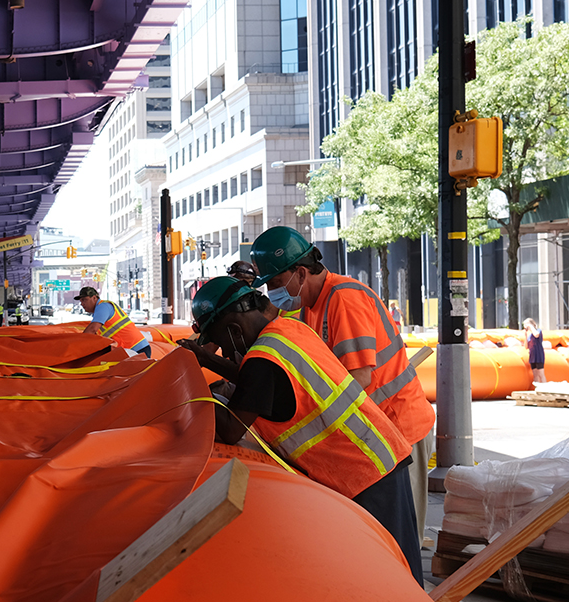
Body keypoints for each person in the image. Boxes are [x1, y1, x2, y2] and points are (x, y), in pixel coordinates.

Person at [183, 275, 422, 579]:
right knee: (387, 566)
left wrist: (186, 394)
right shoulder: (288, 331)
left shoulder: (263, 360)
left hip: (365, 471)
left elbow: (230, 428)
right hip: (373, 460)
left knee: (392, 576)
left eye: (222, 345)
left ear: (233, 329)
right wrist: (205, 360)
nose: (227, 354)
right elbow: (254, 380)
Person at [251, 226, 435, 535]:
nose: (273, 292)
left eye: (276, 282)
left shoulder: (343, 299)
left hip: (398, 428)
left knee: (400, 541)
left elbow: (358, 378)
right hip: (378, 431)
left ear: (300, 273)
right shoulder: (311, 308)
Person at [75, 285, 151, 357]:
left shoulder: (103, 306)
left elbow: (92, 329)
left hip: (136, 349)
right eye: (81, 301)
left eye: (84, 300)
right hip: (131, 350)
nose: (82, 304)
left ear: (94, 298)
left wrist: (77, 347)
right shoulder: (99, 312)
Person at [524, 317, 546, 385]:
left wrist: (531, 327)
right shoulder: (529, 336)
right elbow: (526, 346)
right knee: (535, 374)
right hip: (532, 356)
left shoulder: (538, 331)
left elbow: (536, 335)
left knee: (540, 373)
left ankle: (545, 388)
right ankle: (537, 388)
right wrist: (525, 335)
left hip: (538, 354)